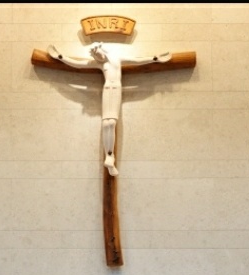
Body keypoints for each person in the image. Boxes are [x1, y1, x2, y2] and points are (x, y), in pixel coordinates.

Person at [47, 42, 171, 176]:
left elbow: (136, 61)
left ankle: (110, 157)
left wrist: (154, 59)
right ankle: (109, 157)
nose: (97, 57)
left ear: (103, 50)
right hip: (107, 90)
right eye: (94, 55)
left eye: (97, 54)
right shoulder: (99, 63)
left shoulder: (117, 58)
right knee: (105, 123)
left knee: (112, 122)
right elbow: (77, 64)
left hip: (116, 90)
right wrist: (60, 57)